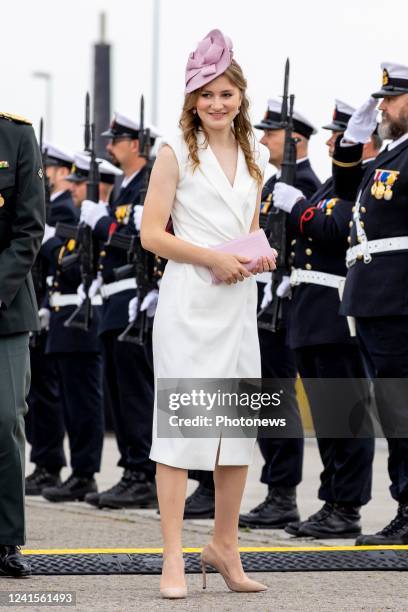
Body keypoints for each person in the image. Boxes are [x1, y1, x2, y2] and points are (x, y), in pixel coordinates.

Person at [141, 29, 275, 599]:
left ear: (241, 97)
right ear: (191, 99)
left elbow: (244, 229)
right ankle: (173, 557)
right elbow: (151, 235)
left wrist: (255, 252)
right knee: (179, 431)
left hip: (238, 304)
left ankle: (225, 546)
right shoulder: (173, 149)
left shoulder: (258, 155)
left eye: (226, 93)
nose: (216, 104)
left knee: (237, 431)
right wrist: (213, 259)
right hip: (190, 303)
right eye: (205, 94)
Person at [268, 102, 382, 539]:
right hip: (311, 311)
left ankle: (347, 506)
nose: (334, 141)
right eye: (335, 135)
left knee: (345, 415)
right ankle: (332, 500)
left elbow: (334, 228)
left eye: (342, 134)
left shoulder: (364, 180)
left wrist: (297, 207)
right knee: (329, 416)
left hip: (336, 311)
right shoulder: (336, 181)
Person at [333, 62, 408, 544]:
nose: (381, 106)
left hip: (400, 297)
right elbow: (344, 193)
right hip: (380, 300)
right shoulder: (391, 155)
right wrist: (351, 142)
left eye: (392, 98)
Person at [239, 99, 321, 529]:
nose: (264, 138)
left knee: (278, 397)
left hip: (287, 305)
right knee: (263, 397)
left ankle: (284, 493)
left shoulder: (307, 184)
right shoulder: (271, 186)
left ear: (295, 140)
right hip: (264, 301)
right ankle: (275, 489)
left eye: (272, 132)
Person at [79, 113, 160, 510]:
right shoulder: (121, 189)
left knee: (135, 391)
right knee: (118, 390)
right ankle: (131, 469)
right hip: (113, 297)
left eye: (116, 140)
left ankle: (143, 473)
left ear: (135, 144)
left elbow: (140, 239)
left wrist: (104, 225)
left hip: (135, 293)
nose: (109, 146)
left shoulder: (149, 184)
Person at [39, 153, 121, 502]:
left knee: (85, 404)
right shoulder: (83, 219)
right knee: (73, 404)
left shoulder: (90, 218)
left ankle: (85, 472)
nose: (72, 190)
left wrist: (51, 244)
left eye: (78, 184)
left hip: (84, 322)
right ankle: (79, 472)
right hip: (67, 321)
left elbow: (78, 270)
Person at [0, 111, 45, 577]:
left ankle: (6, 538)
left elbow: (29, 227)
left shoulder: (15, 136)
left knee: (5, 418)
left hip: (5, 308)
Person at [25, 144, 77, 496]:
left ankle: (50, 463)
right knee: (38, 395)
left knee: (48, 395)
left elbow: (65, 257)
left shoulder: (64, 209)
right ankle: (44, 462)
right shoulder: (47, 205)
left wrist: (47, 238)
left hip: (58, 310)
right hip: (43, 307)